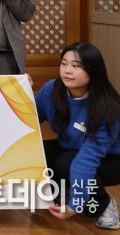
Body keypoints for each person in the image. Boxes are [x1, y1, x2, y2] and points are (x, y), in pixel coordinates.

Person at [35, 42, 120, 229]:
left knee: (67, 163)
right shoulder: (51, 90)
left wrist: (75, 206)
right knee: (37, 151)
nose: (67, 70)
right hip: (72, 149)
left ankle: (104, 205)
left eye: (76, 66)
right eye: (64, 63)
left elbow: (87, 158)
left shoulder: (108, 107)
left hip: (111, 159)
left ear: (93, 71)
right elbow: (27, 119)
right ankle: (64, 193)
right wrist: (20, 88)